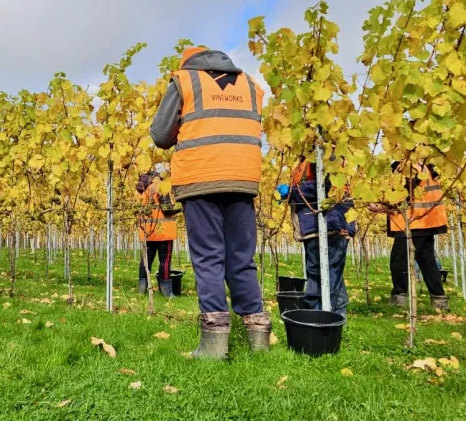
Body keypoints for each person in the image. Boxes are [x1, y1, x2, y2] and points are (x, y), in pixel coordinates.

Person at [150, 46, 268, 359]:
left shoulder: (185, 80)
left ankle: (215, 345)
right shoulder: (250, 84)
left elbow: (161, 135)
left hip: (201, 175)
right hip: (243, 176)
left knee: (209, 257)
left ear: (188, 62)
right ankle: (258, 339)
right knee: (242, 257)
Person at [280, 157, 355, 316]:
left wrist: (291, 192)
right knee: (332, 271)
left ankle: (320, 315)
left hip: (326, 224)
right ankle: (338, 313)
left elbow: (323, 186)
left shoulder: (322, 153)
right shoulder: (308, 158)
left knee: (320, 272)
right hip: (320, 225)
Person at [370, 161, 449, 310]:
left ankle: (400, 298)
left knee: (398, 261)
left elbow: (404, 194)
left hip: (412, 221)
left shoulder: (408, 164)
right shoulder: (423, 164)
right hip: (426, 221)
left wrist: (382, 206)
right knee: (427, 262)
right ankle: (439, 300)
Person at [136, 170, 180, 297]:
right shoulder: (161, 187)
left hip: (147, 231)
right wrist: (180, 206)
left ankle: (142, 290)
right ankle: (167, 292)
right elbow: (168, 209)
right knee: (165, 261)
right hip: (164, 231)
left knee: (146, 260)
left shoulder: (142, 189)